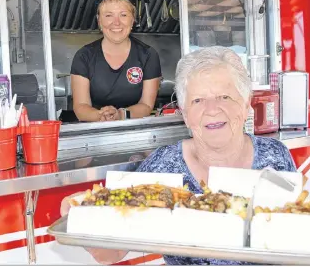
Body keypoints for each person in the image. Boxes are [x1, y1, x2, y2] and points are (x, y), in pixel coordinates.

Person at [61, 46, 297, 265]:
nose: (212, 109)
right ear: (184, 114)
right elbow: (112, 253)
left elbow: (295, 241)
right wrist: (85, 220)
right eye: (197, 100)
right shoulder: (162, 167)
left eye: (225, 97)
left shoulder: (274, 157)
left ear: (246, 104)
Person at [70, 0, 162, 122]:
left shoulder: (148, 55)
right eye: (108, 15)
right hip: (95, 132)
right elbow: (81, 107)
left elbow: (146, 105)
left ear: (132, 20)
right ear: (99, 21)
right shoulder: (84, 56)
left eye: (123, 15)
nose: (116, 22)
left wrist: (120, 114)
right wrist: (102, 116)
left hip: (136, 132)